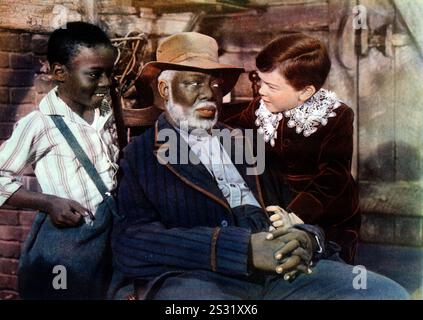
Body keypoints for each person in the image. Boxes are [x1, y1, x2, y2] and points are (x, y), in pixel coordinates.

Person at [112, 32, 408, 300]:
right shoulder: (142, 154)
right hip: (200, 278)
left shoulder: (246, 141)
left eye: (215, 84)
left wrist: (307, 238)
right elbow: (130, 242)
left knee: (385, 293)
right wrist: (242, 250)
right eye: (193, 83)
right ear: (165, 91)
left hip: (280, 271)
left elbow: (291, 206)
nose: (209, 94)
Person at [0, 22, 120, 299]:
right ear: (59, 73)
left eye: (109, 73)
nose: (105, 83)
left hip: (108, 241)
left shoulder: (104, 109)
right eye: (94, 74)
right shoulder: (39, 125)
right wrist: (48, 202)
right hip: (66, 246)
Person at [226, 33, 360, 264]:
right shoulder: (260, 107)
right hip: (277, 200)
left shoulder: (336, 116)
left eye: (271, 86)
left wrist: (296, 214)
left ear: (305, 92)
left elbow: (333, 176)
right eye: (259, 80)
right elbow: (232, 126)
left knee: (328, 266)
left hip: (326, 209)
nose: (261, 91)